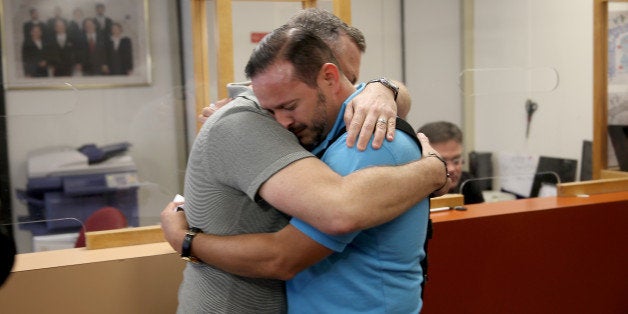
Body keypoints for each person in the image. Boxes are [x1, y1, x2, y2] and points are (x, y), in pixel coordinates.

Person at [161, 10, 449, 312]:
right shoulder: (310, 128)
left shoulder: (366, 137)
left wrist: (186, 240)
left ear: (329, 77)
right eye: (272, 110)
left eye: (289, 106)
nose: (282, 122)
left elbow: (287, 254)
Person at [199, 10, 413, 152]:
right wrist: (429, 171)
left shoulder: (352, 109)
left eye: (351, 79)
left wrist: (382, 89)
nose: (346, 90)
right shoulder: (243, 115)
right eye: (338, 75)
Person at [418, 121, 485, 204]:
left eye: (456, 161)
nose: (451, 169)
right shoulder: (415, 191)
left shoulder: (468, 184)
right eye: (442, 162)